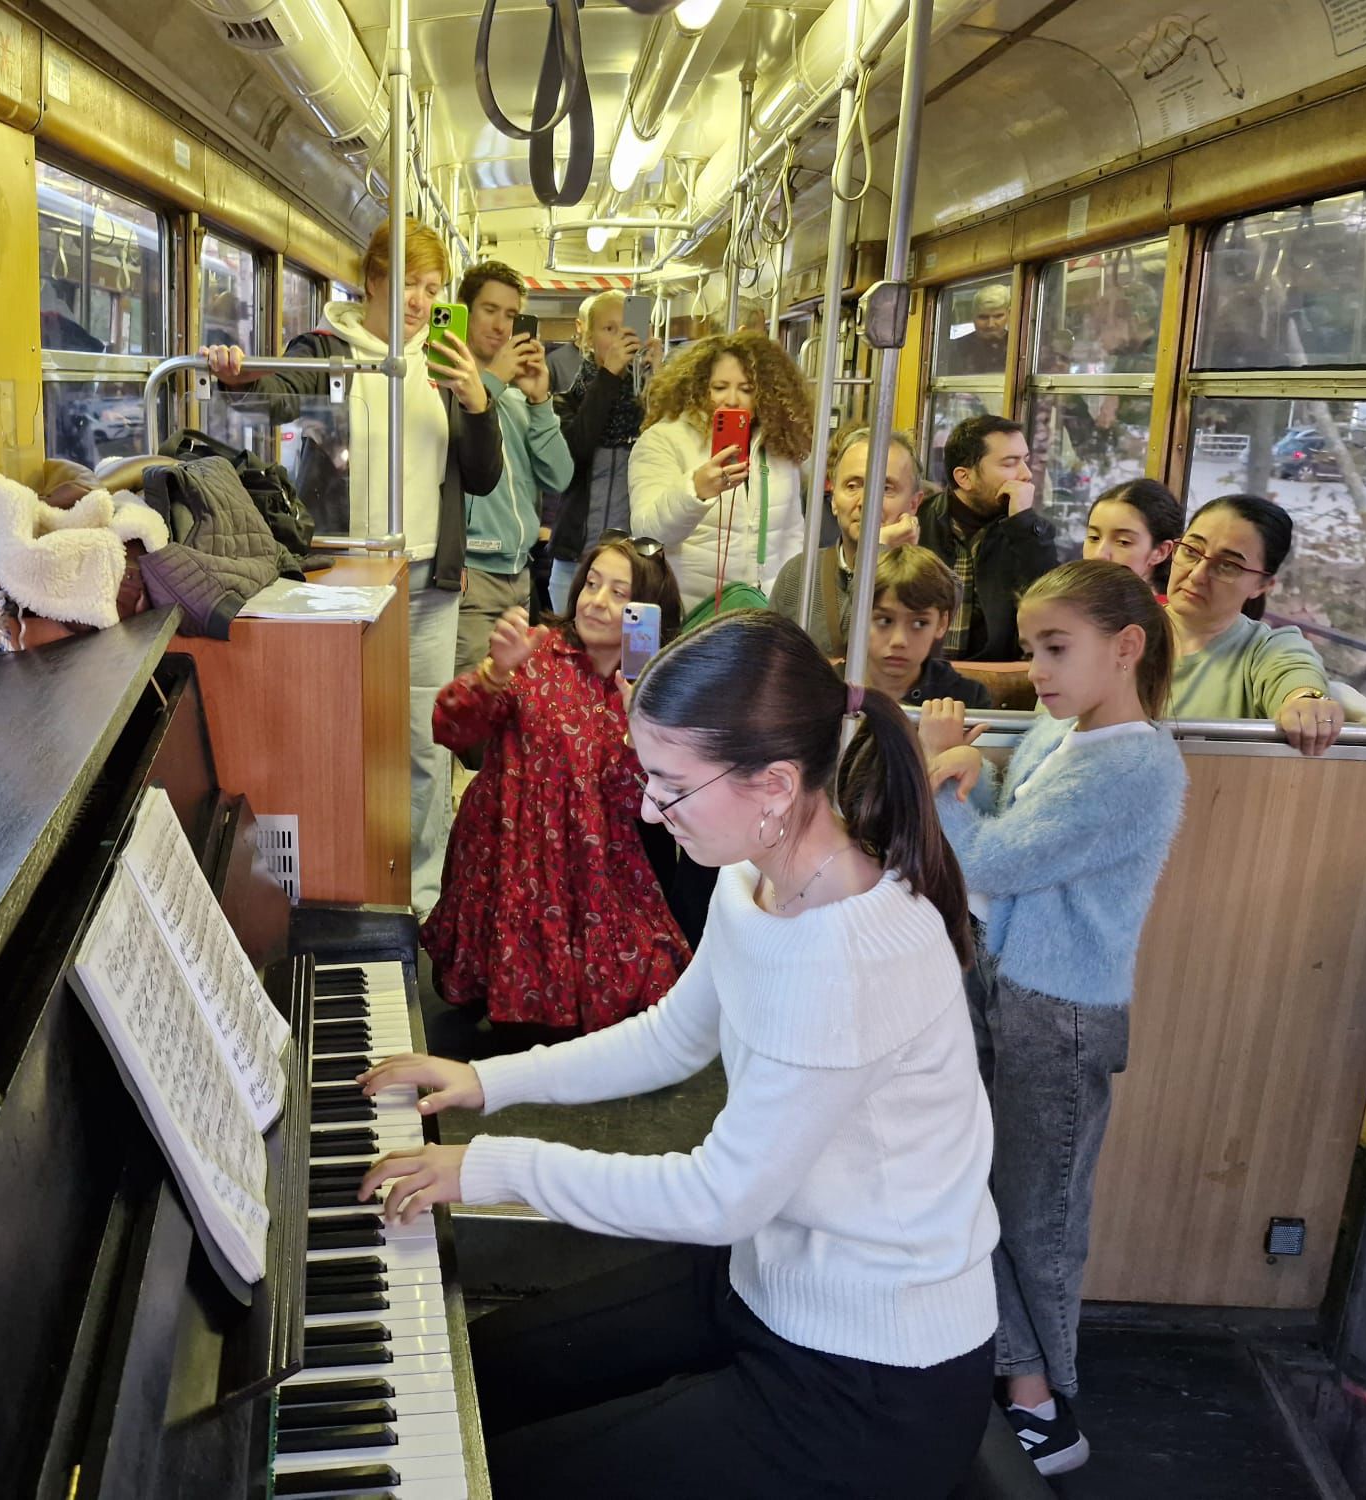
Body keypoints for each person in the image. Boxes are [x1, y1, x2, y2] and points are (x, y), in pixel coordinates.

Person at [356, 611, 999, 1500]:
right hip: (762, 1280)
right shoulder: (757, 877)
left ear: (774, 783)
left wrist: (491, 1168)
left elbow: (718, 1195)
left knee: (504, 1478)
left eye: (671, 784)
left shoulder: (851, 960)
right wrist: (483, 1082)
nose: (648, 808)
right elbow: (672, 1034)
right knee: (477, 1380)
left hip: (871, 1378)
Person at [917, 560, 1187, 1476]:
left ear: (1126, 648)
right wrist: (971, 770)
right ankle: (1019, 1379)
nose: (1036, 667)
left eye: (1055, 648)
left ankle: (1046, 1405)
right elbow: (1003, 818)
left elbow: (993, 860)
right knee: (972, 1188)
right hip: (1003, 985)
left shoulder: (1136, 763)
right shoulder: (1059, 733)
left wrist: (935, 773)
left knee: (1035, 1215)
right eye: (1032, 647)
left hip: (1058, 1010)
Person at [202, 218, 505, 912]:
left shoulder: (447, 362)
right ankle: (346, 882)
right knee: (339, 735)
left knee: (424, 746)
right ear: (372, 280)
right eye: (407, 283)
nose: (421, 301)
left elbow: (482, 478)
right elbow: (274, 394)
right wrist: (236, 375)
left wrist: (477, 402)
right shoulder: (327, 351)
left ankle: (422, 895)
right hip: (341, 572)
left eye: (432, 288)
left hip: (429, 577)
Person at [425, 538, 690, 1037]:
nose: (595, 601)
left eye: (618, 593)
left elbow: (643, 798)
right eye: (591, 584)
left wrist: (641, 721)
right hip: (506, 854)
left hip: (594, 868)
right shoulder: (538, 649)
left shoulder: (654, 690)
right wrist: (495, 671)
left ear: (647, 612)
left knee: (646, 991)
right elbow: (449, 729)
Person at [629, 333, 813, 616]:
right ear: (698, 388)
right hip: (689, 615)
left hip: (765, 617)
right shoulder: (663, 440)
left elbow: (791, 535)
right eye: (720, 387)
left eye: (747, 389)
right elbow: (647, 534)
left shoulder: (778, 445)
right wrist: (695, 491)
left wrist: (790, 606)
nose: (732, 399)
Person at [453, 260, 574, 674]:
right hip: (471, 574)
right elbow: (455, 446)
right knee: (467, 706)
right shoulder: (448, 383)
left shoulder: (522, 399)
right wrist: (494, 380)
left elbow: (559, 475)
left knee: (512, 705)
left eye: (511, 314)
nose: (502, 326)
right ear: (464, 311)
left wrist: (540, 401)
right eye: (490, 310)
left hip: (518, 575)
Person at [1165, 494, 1343, 756]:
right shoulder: (1120, 629)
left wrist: (1307, 703)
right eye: (1191, 552)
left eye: (1227, 565)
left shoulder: (1265, 650)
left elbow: (1294, 672)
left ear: (1262, 585)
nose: (1197, 575)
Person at [548, 291, 661, 612]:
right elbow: (574, 456)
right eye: (609, 329)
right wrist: (608, 376)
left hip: (637, 566)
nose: (620, 338)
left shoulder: (651, 403)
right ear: (588, 337)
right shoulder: (565, 402)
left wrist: (659, 380)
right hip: (574, 561)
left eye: (628, 329)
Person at [770, 426, 926, 657]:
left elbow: (861, 647)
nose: (866, 502)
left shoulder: (930, 581)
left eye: (885, 488)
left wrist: (878, 550)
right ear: (833, 500)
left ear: (913, 504)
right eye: (852, 486)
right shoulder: (799, 574)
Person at [918, 414, 1056, 661]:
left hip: (994, 681)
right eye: (1009, 463)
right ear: (965, 477)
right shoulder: (918, 520)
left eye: (1025, 460)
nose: (1025, 475)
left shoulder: (1028, 532)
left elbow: (1053, 606)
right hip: (921, 672)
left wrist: (1023, 524)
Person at [864, 547, 992, 708]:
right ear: (860, 617)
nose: (899, 641)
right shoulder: (827, 687)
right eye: (885, 620)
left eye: (919, 623)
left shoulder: (968, 699)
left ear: (941, 623)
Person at [1082, 477, 1183, 597]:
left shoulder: (1160, 614)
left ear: (1160, 552)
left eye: (1123, 542)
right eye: (1094, 538)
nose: (1099, 554)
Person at [942, 282, 1012, 375]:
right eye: (983, 317)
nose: (990, 324)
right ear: (973, 316)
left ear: (1009, 314)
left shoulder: (1019, 347)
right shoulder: (955, 349)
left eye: (998, 316)